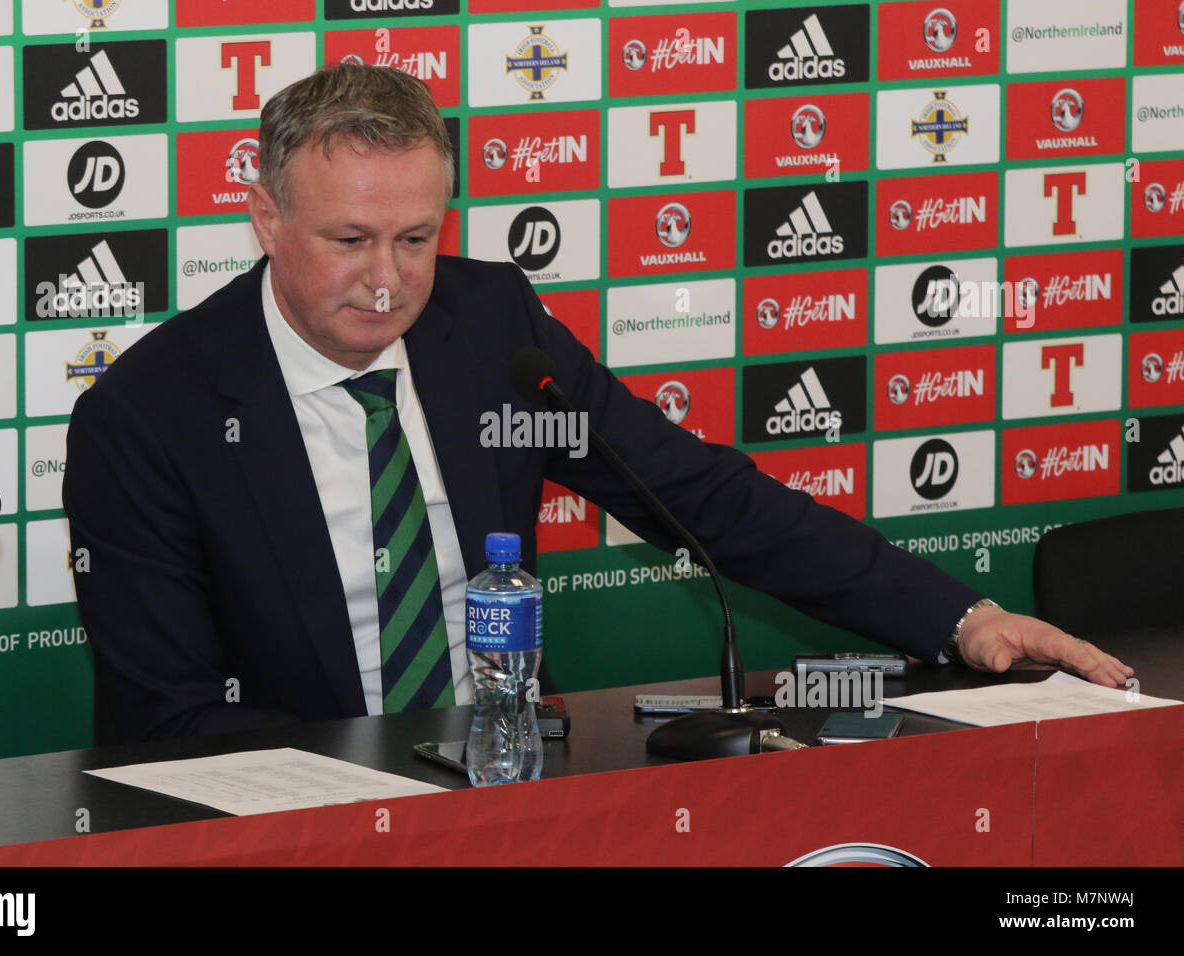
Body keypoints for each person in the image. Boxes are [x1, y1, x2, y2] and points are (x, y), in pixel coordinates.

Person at [63, 65, 1132, 744]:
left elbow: (697, 495)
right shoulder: (152, 414)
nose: (387, 279)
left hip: (510, 775)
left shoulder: (484, 326)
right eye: (349, 241)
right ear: (263, 216)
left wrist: (962, 618)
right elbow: (169, 719)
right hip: (294, 814)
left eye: (417, 238)